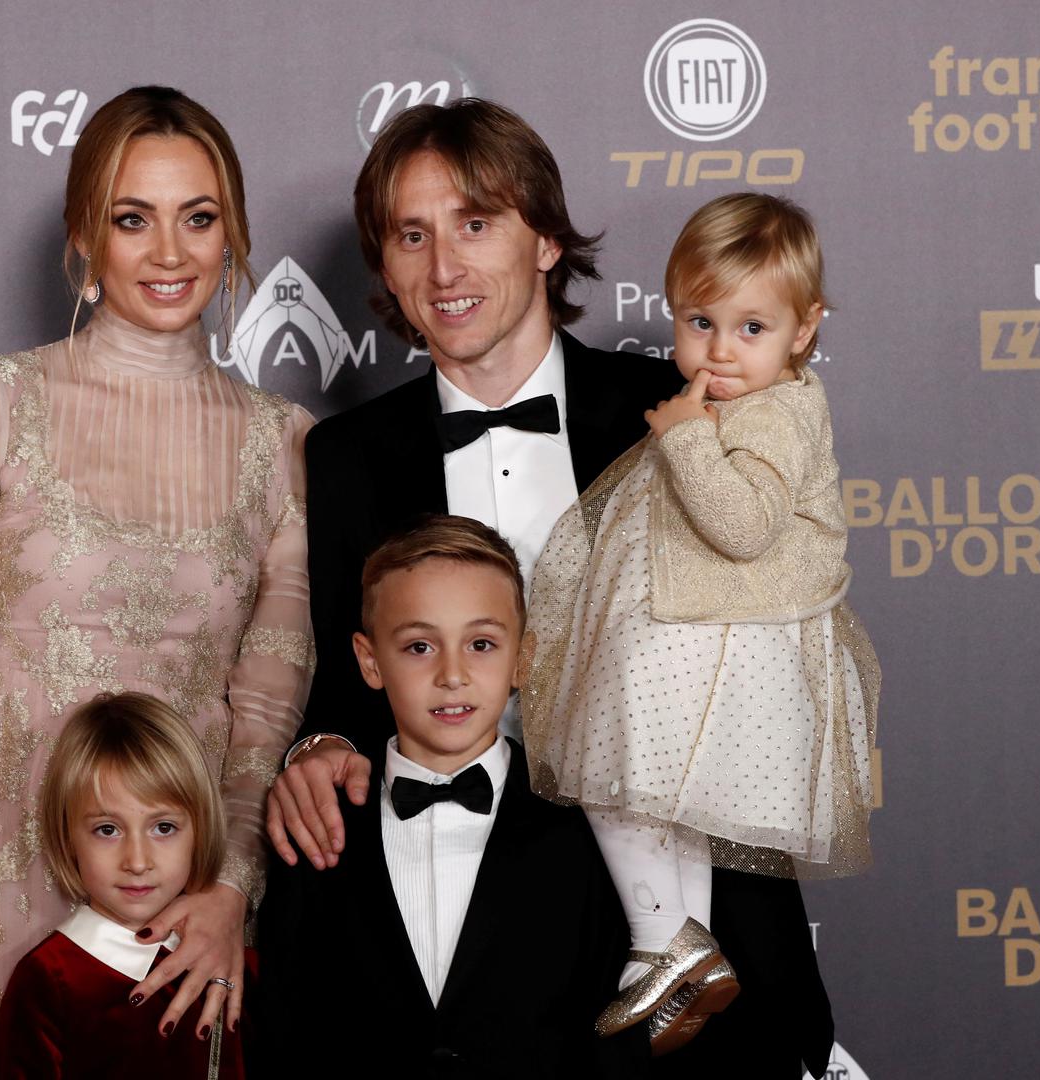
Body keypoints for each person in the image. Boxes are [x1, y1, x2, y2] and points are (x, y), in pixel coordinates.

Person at [267, 99, 834, 1077]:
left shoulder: (679, 414)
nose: (443, 268)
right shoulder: (349, 456)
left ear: (544, 240)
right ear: (387, 268)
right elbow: (344, 677)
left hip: (698, 914)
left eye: (475, 223)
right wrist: (320, 746)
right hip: (484, 946)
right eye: (412, 235)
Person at [0, 86, 314, 1079]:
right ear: (83, 235)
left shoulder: (285, 445)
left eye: (198, 218)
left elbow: (261, 726)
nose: (170, 253)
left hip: (178, 928)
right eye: (131, 219)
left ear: (233, 232)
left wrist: (231, 890)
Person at [523, 192, 880, 1061]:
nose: (719, 349)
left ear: (804, 328)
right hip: (690, 634)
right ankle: (680, 947)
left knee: (615, 775)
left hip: (712, 647)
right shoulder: (732, 400)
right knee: (658, 801)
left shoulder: (777, 413)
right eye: (699, 322)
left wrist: (685, 438)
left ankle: (664, 939)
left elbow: (743, 525)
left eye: (751, 328)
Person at [257, 516, 651, 1078]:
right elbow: (284, 1026)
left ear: (522, 658)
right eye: (419, 646)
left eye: (481, 644)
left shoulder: (581, 827)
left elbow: (611, 1036)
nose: (452, 674)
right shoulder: (319, 824)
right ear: (370, 661)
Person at [0, 692, 240, 1078]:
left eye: (163, 828)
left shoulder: (235, 962)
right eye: (107, 830)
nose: (137, 862)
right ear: (68, 837)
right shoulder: (48, 980)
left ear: (201, 831)